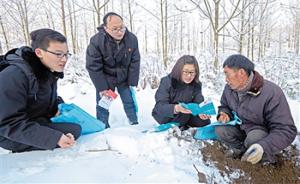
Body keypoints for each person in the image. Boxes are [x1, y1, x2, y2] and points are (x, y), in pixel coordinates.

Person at [0, 28, 81, 153]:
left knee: (75, 127)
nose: (64, 59)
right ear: (39, 53)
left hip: (33, 120)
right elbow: (8, 123)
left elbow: (44, 97)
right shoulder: (14, 76)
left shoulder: (48, 70)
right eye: (58, 54)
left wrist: (58, 107)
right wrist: (54, 138)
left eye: (66, 54)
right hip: (8, 133)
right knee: (72, 131)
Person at [215, 54, 297, 165]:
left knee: (254, 139)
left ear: (241, 73)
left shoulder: (271, 92)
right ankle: (243, 154)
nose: (226, 79)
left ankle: (266, 161)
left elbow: (287, 129)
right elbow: (224, 105)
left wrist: (263, 146)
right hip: (241, 128)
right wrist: (224, 113)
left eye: (227, 74)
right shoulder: (229, 88)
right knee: (220, 130)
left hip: (263, 136)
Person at [86, 12, 140, 128]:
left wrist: (132, 81)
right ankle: (102, 125)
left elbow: (135, 61)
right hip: (106, 79)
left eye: (121, 27)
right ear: (105, 28)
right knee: (103, 104)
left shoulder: (132, 39)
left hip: (124, 78)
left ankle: (134, 122)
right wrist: (102, 87)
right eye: (115, 29)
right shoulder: (96, 41)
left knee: (129, 101)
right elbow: (93, 66)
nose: (119, 31)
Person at [152, 55, 211, 129]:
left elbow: (198, 101)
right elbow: (160, 106)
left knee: (205, 121)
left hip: (187, 113)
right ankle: (180, 125)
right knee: (182, 117)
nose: (189, 76)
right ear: (178, 70)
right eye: (185, 72)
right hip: (167, 114)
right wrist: (176, 108)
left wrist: (201, 112)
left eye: (192, 72)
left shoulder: (196, 84)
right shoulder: (167, 81)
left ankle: (185, 125)